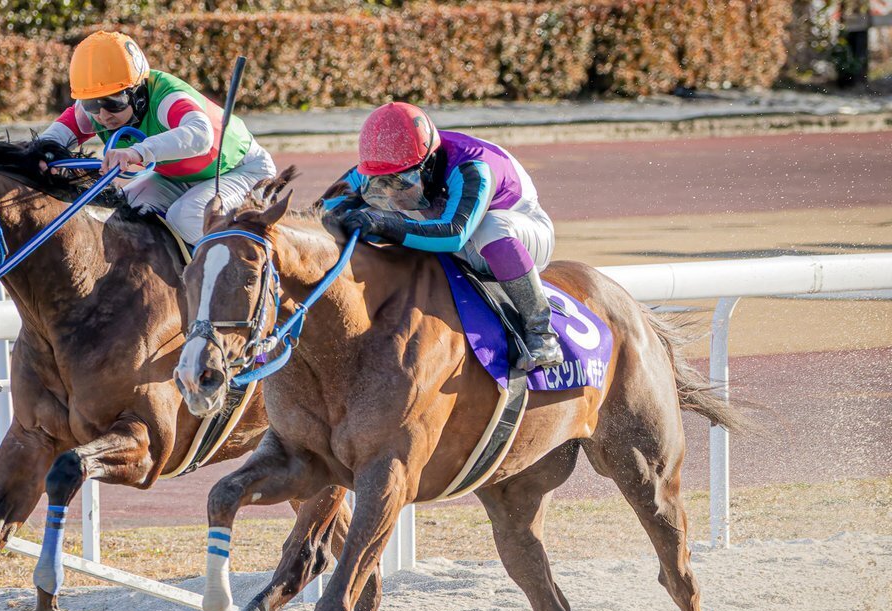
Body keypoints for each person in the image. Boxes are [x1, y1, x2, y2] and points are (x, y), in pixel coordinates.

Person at [323, 102, 562, 371]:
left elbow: (454, 236)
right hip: (459, 235)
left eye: (402, 181)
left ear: (427, 163)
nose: (393, 192)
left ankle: (541, 331)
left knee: (490, 226)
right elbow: (322, 211)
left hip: (519, 234)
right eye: (382, 181)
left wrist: (381, 225)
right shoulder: (386, 161)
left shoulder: (474, 166)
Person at [33, 31, 276, 247]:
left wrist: (136, 152)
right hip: (181, 178)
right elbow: (47, 144)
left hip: (243, 171)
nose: (103, 115)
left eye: (114, 103)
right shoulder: (93, 112)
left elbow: (201, 135)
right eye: (92, 104)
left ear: (138, 92)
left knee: (187, 217)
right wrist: (39, 158)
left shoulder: (167, 96)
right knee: (125, 212)